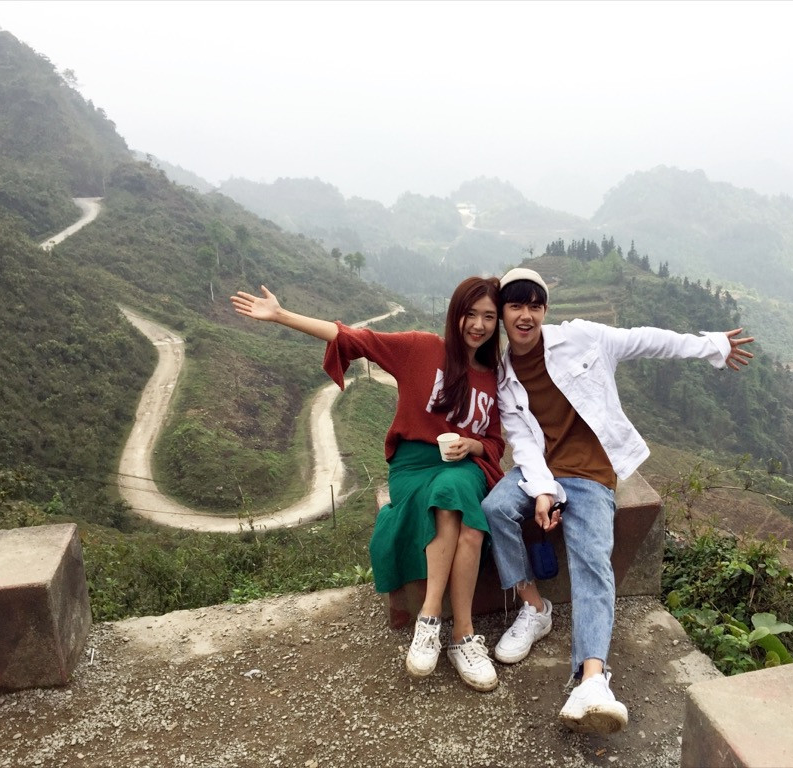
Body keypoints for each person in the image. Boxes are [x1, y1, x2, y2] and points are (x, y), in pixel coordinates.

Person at [482, 267, 754, 732]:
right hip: (542, 469)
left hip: (591, 473)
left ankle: (592, 679)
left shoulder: (581, 338)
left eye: (535, 305)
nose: (526, 315)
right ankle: (535, 608)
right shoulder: (503, 374)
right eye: (516, 306)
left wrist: (712, 345)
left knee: (592, 559)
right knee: (496, 509)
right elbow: (522, 440)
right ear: (503, 314)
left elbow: (646, 340)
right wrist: (543, 490)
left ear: (545, 310)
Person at [230, 277, 506, 692]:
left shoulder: (493, 377)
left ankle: (450, 629)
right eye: (471, 314)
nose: (479, 325)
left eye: (488, 317)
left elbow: (496, 443)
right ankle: (442, 627)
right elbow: (352, 338)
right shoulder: (421, 348)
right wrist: (281, 315)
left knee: (454, 492)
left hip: (464, 466)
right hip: (413, 466)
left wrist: (473, 445)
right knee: (453, 506)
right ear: (456, 314)